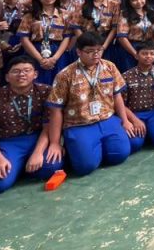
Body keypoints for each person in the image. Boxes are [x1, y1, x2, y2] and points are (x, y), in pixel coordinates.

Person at [46, 32, 132, 176]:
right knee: (85, 167)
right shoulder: (65, 75)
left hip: (107, 119)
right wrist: (54, 142)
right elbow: (56, 110)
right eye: (90, 51)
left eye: (99, 50)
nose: (96, 54)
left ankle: (93, 148)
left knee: (120, 155)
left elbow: (117, 96)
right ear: (78, 52)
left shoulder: (110, 67)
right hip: (79, 124)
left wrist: (125, 120)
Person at [0, 56, 62, 196]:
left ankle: (17, 167)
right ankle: (8, 165)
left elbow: (48, 126)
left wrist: (38, 153)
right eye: (16, 71)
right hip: (8, 143)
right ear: (7, 77)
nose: (22, 74)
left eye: (27, 70)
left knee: (51, 166)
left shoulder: (45, 91)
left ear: (35, 74)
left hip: (38, 138)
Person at [121, 42, 154, 153]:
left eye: (152, 53)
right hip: (135, 113)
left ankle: (151, 131)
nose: (148, 56)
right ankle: (146, 133)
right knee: (134, 144)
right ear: (136, 56)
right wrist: (134, 120)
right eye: (144, 53)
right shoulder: (126, 76)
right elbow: (121, 103)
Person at [16, 0, 73, 85]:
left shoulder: (65, 15)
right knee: (35, 82)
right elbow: (24, 39)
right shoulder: (30, 15)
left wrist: (54, 59)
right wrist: (40, 59)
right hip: (35, 51)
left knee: (59, 83)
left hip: (58, 52)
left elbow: (67, 37)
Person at [73, 0, 121, 67]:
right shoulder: (81, 5)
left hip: (105, 44)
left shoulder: (114, 5)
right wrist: (86, 44)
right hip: (86, 46)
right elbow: (76, 27)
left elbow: (114, 28)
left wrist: (102, 48)